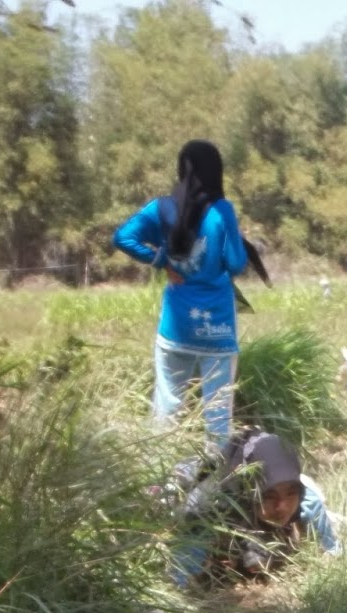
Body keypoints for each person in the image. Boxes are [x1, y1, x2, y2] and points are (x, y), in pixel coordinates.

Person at [113, 141, 250, 449]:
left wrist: (161, 260)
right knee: (218, 420)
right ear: (216, 172)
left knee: (166, 410)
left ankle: (155, 486)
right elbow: (237, 263)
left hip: (175, 330)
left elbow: (122, 237)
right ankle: (212, 488)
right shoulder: (221, 211)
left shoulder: (161, 209)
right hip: (217, 330)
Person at [176, 427, 341, 581]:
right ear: (248, 494)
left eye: (291, 493)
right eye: (269, 496)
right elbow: (181, 577)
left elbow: (332, 553)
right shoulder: (212, 510)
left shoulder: (307, 500)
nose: (282, 506)